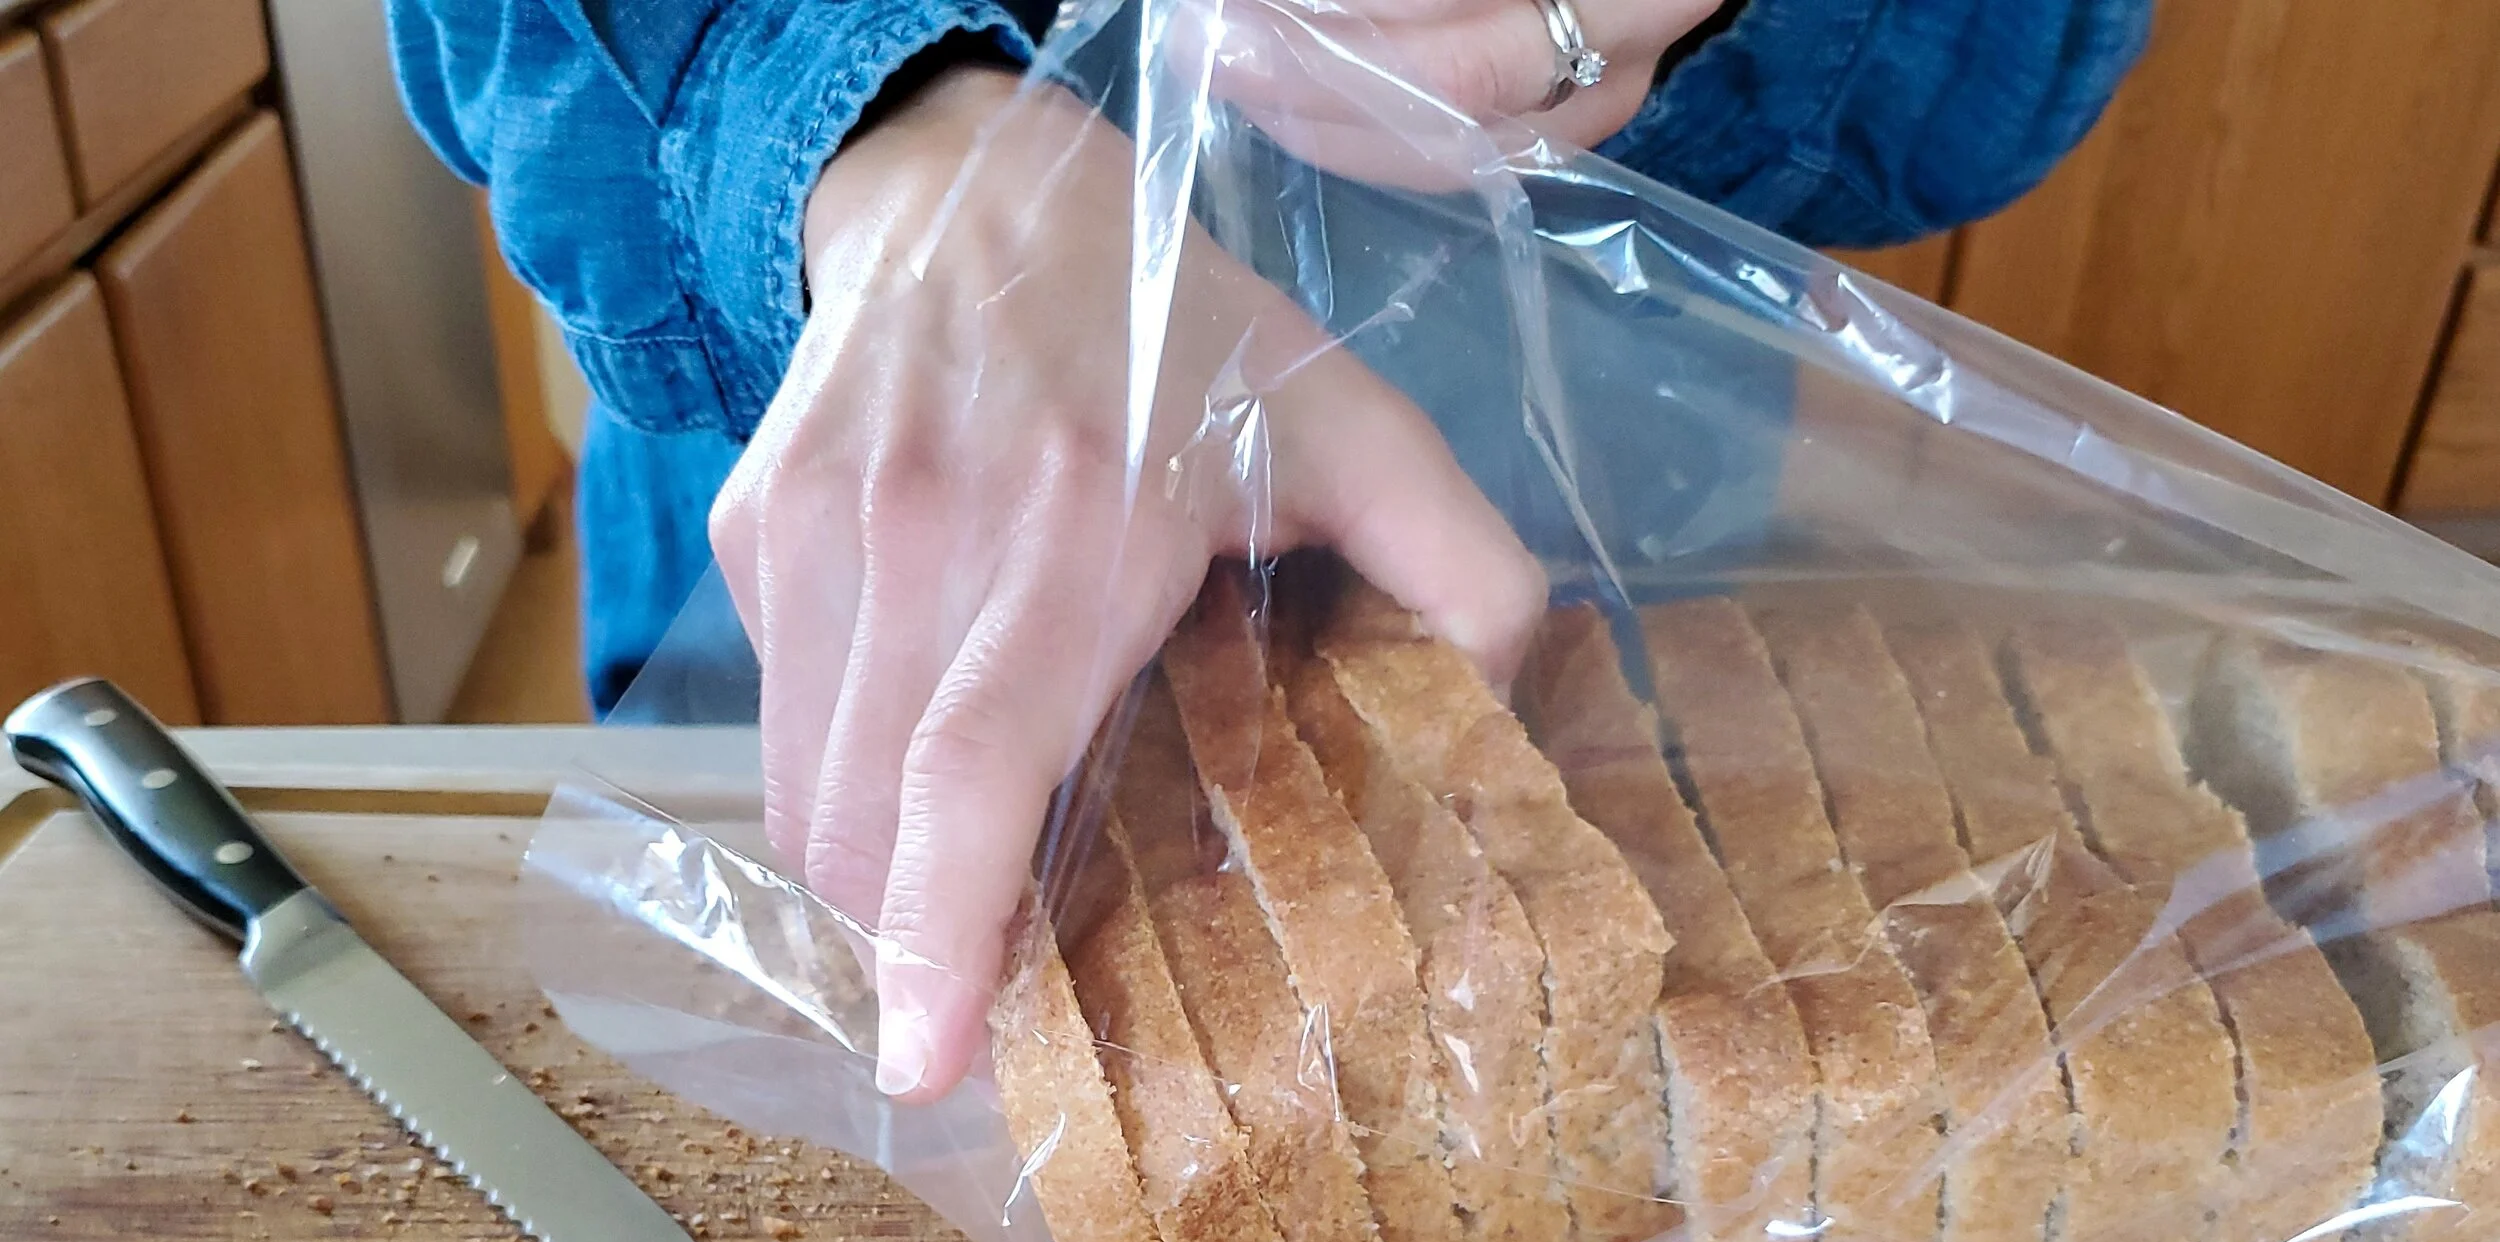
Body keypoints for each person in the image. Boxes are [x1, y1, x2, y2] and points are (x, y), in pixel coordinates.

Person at [387, 0, 2151, 1102]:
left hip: (1596, 544)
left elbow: (2011, 67)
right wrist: (857, 117)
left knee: (1592, 1110)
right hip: (855, 524)